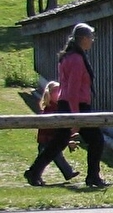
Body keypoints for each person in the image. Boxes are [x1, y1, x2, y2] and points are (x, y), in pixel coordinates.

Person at [25, 23, 107, 189]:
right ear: (83, 38)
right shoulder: (76, 59)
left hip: (66, 104)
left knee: (59, 142)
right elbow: (73, 90)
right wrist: (75, 117)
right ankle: (93, 176)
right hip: (76, 105)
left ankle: (34, 172)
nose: (92, 40)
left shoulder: (67, 57)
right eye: (91, 37)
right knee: (97, 140)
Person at [32, 81, 79, 183]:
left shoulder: (58, 107)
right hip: (46, 139)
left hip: (52, 139)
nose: (59, 94)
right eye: (56, 91)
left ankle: (68, 173)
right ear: (50, 94)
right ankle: (36, 176)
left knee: (57, 157)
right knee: (45, 159)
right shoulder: (50, 109)